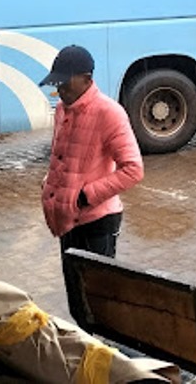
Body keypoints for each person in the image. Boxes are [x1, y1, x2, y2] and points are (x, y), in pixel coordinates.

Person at [40, 46, 143, 285]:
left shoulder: (109, 113)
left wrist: (85, 196)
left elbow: (133, 169)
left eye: (66, 82)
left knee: (98, 305)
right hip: (67, 220)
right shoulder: (62, 110)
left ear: (86, 80)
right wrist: (51, 185)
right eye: (57, 83)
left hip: (97, 224)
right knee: (77, 302)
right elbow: (62, 158)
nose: (60, 89)